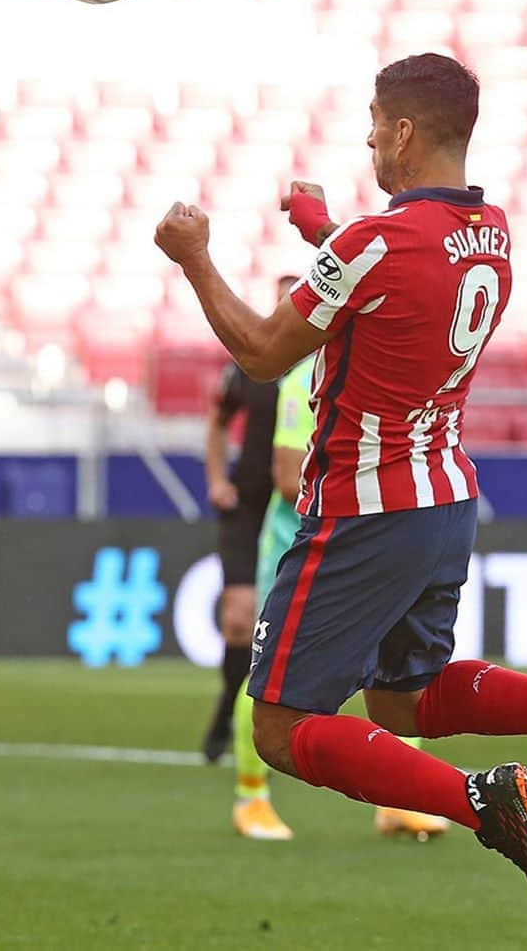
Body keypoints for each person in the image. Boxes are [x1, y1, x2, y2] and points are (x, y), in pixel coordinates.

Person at [155, 53, 527, 902]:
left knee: (282, 729)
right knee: (403, 701)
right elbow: (402, 280)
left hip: (363, 509)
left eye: (374, 120)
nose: (367, 136)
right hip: (444, 497)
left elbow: (261, 351)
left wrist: (193, 257)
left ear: (403, 131)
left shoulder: (375, 243)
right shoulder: (492, 234)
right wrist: (326, 231)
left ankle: (482, 800)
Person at [231, 352, 448, 842]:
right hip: (303, 547)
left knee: (400, 666)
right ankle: (252, 799)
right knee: (270, 675)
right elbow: (288, 480)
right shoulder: (306, 378)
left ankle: (399, 800)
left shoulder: (386, 366)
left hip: (369, 543)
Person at [200, 276, 296, 762]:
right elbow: (217, 422)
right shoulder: (250, 363)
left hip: (295, 506)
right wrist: (217, 478)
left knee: (274, 623)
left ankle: (255, 723)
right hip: (247, 503)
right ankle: (227, 711)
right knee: (238, 620)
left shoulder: (322, 363)